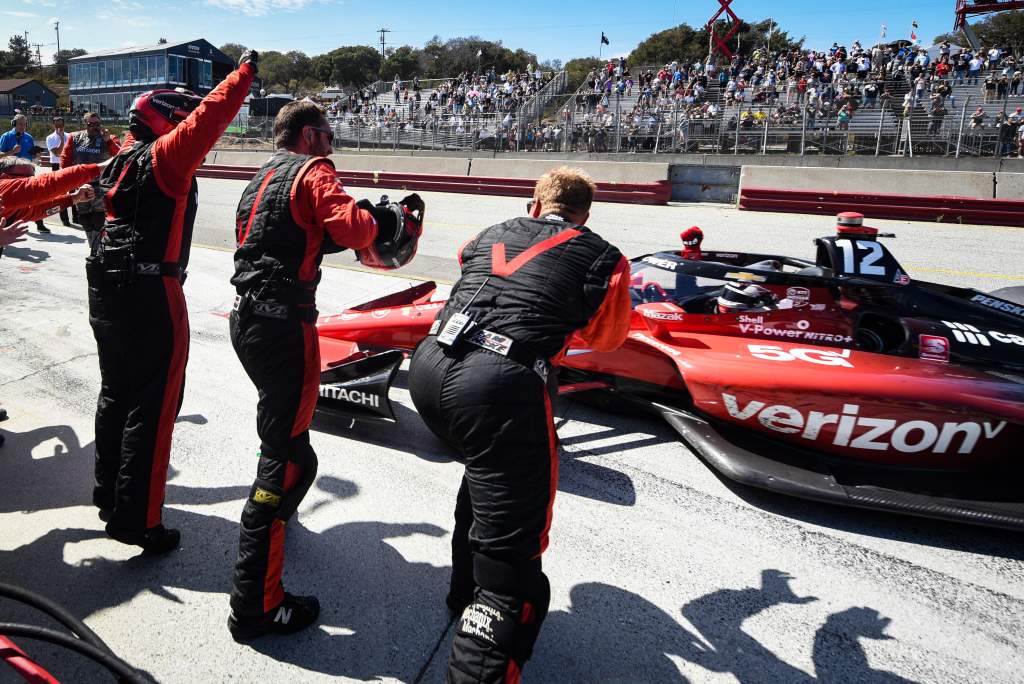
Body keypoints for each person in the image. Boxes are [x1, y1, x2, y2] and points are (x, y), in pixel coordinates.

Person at [408, 167, 631, 682]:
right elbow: (609, 339)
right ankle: (483, 638)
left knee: (486, 471)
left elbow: (471, 273)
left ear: (534, 204)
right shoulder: (603, 256)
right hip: (499, 386)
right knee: (514, 569)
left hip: (429, 367)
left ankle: (463, 593)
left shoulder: (487, 233)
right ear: (586, 215)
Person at [227, 99, 424, 641]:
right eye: (330, 135)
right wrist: (382, 216)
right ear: (310, 135)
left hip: (247, 325)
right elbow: (358, 229)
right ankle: (256, 607)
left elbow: (288, 236)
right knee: (284, 461)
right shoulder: (315, 171)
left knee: (296, 451)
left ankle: (275, 532)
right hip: (284, 328)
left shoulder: (261, 176)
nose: (333, 145)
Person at [87, 51, 258, 554]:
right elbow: (212, 117)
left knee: (115, 392)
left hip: (105, 288)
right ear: (170, 118)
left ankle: (108, 494)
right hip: (151, 290)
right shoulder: (164, 157)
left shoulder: (117, 157)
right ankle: (138, 519)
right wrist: (243, 73)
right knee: (156, 405)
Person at [61, 112, 120, 248]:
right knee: (84, 216)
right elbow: (65, 160)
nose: (94, 127)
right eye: (90, 124)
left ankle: (97, 245)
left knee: (98, 216)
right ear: (85, 124)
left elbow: (120, 156)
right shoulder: (74, 137)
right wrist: (67, 180)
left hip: (101, 185)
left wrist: (109, 142)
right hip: (81, 184)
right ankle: (91, 242)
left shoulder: (109, 138)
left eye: (97, 124)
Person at [0, 114, 48, 234]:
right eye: (20, 124)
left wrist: (36, 155)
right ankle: (6, 224)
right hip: (10, 174)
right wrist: (12, 152)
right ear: (14, 123)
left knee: (35, 196)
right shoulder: (6, 136)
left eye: (25, 124)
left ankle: (39, 223)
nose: (23, 126)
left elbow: (31, 154)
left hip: (28, 172)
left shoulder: (29, 137)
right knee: (10, 200)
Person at [45, 117, 71, 227]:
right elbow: (58, 153)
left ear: (64, 125)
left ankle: (76, 217)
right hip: (56, 166)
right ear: (53, 126)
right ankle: (65, 219)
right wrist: (61, 140)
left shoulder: (70, 136)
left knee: (73, 190)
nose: (59, 128)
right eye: (57, 126)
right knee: (60, 193)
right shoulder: (50, 138)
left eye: (61, 125)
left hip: (68, 165)